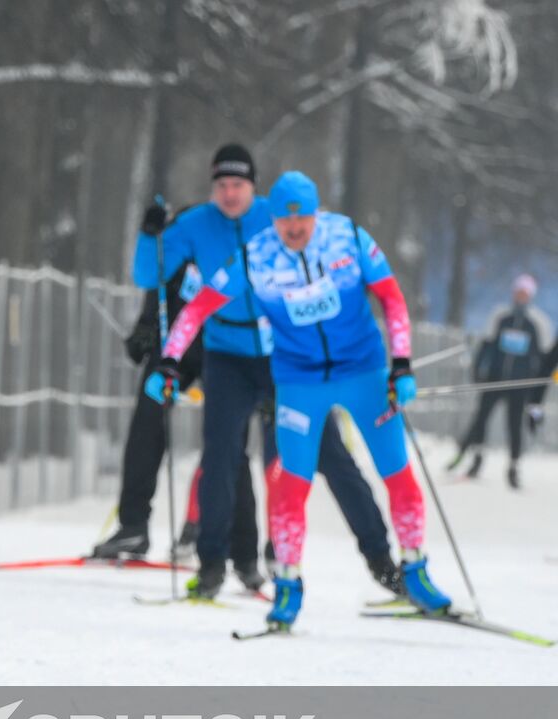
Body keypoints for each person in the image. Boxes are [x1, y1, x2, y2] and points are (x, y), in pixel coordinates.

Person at [147, 170, 455, 629]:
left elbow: (391, 298)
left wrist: (402, 363)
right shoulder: (255, 256)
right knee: (291, 484)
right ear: (271, 220)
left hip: (363, 372)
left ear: (316, 214)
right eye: (285, 224)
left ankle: (415, 572)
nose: (295, 232)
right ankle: (288, 586)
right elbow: (198, 308)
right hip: (298, 380)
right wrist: (169, 362)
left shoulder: (347, 237)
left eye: (303, 222)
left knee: (397, 472)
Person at [130, 145, 398, 598]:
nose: (229, 193)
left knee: (323, 456)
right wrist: (148, 235)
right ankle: (212, 563)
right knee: (220, 456)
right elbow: (147, 275)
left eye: (238, 185)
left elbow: (325, 259)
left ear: (254, 187)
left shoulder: (277, 218)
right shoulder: (197, 223)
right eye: (221, 185)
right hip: (227, 353)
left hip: (285, 355)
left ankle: (381, 558)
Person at [92, 247, 262, 584]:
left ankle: (242, 551)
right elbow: (161, 283)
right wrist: (145, 326)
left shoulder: (249, 243)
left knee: (229, 444)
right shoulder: (185, 239)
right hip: (178, 347)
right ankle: (133, 525)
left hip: (226, 350)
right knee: (147, 420)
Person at [448, 274, 553, 488]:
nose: (521, 296)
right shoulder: (500, 316)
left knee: (514, 424)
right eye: (518, 291)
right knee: (481, 419)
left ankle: (513, 466)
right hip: (494, 379)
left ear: (530, 295)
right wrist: (478, 370)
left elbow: (542, 360)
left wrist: (534, 387)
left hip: (518, 384)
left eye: (525, 293)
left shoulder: (538, 323)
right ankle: (476, 458)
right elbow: (486, 346)